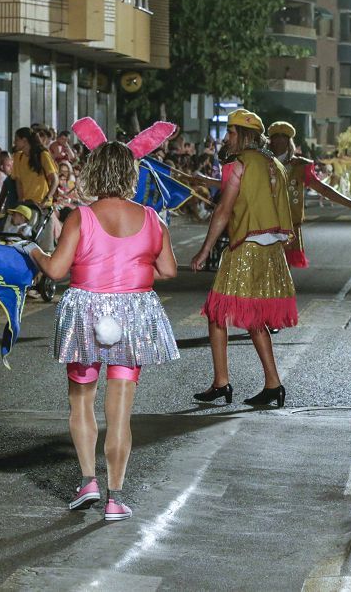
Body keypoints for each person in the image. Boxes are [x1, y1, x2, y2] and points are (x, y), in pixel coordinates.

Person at [26, 140, 178, 522]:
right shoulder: (151, 217)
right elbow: (169, 271)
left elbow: (57, 271)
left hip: (86, 314)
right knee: (121, 413)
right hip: (132, 315)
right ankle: (115, 497)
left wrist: (33, 252)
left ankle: (88, 481)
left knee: (81, 401)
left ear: (93, 173)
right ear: (131, 175)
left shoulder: (81, 217)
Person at [190, 109, 297, 408]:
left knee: (216, 312)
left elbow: (223, 211)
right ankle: (273, 384)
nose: (227, 138)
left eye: (231, 132)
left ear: (244, 135)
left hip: (246, 246)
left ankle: (221, 382)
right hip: (273, 251)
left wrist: (204, 250)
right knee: (255, 317)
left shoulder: (239, 164)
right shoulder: (274, 163)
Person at [267, 121, 351, 268]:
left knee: (283, 271)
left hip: (288, 226)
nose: (279, 140)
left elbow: (323, 189)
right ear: (270, 140)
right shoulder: (260, 163)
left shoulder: (299, 166)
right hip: (261, 224)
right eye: (276, 137)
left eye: (283, 137)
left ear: (289, 141)